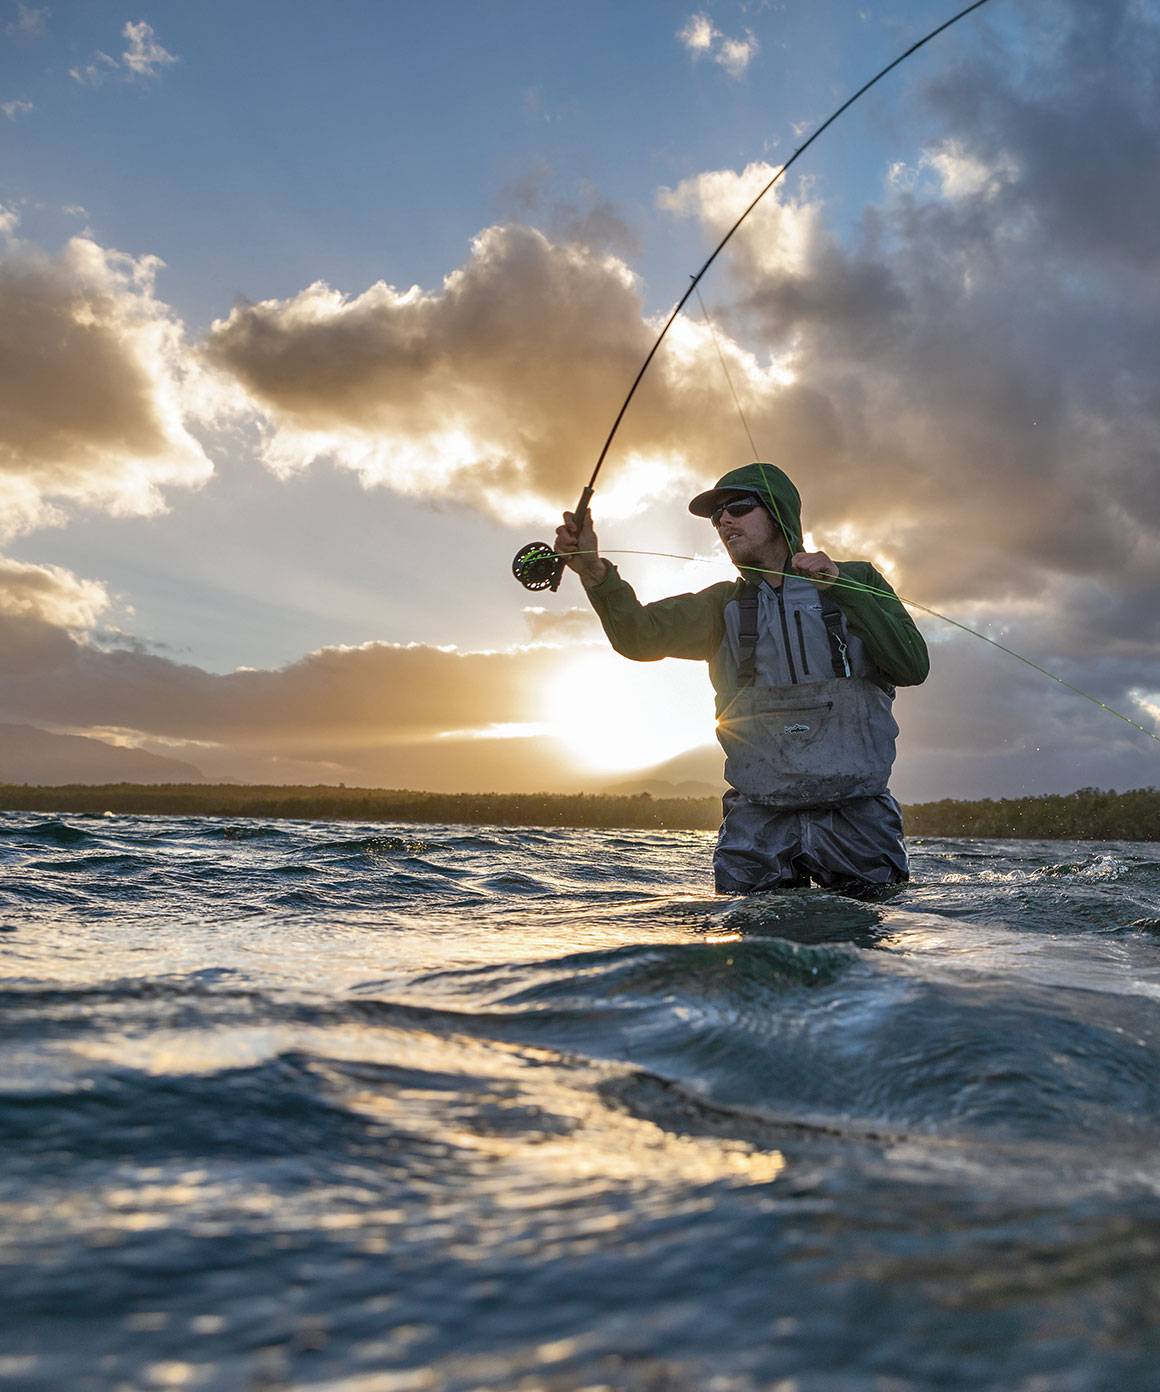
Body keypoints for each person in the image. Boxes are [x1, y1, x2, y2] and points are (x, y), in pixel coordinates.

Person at [554, 462, 929, 896]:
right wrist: (595, 574)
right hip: (757, 820)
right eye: (717, 517)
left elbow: (912, 665)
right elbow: (637, 637)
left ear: (778, 512)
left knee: (865, 941)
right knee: (749, 940)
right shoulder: (721, 606)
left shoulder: (858, 579)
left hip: (857, 815)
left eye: (738, 507)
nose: (724, 521)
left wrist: (840, 587)